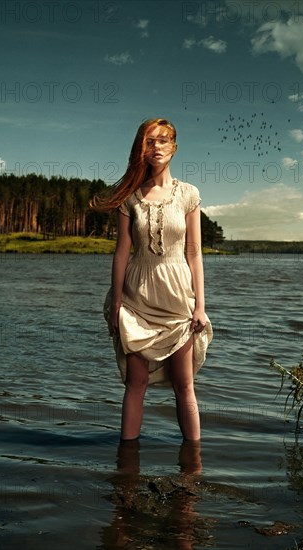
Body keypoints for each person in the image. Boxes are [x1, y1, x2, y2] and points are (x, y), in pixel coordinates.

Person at [93, 118, 213, 441]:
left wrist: (200, 306)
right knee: (136, 385)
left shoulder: (189, 194)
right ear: (141, 150)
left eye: (163, 140)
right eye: (149, 141)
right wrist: (117, 304)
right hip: (137, 299)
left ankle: (193, 470)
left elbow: (194, 253)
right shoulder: (129, 198)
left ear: (174, 147)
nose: (156, 147)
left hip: (178, 299)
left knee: (184, 385)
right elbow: (121, 254)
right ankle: (126, 472)